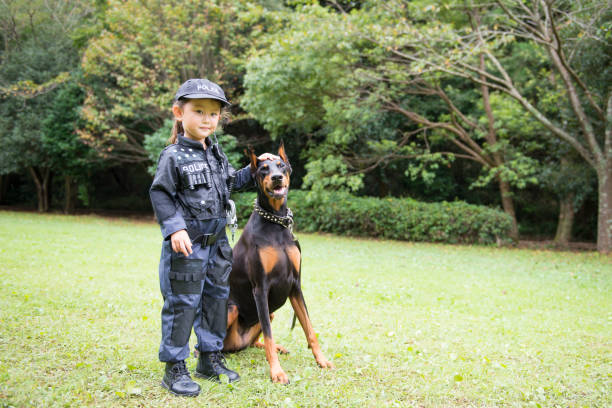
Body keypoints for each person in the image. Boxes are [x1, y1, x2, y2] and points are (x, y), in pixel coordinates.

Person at [150, 78, 276, 396]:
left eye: (214, 113)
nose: (207, 119)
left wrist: (256, 167)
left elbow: (229, 183)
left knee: (216, 302)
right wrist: (175, 228)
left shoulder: (216, 155)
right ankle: (175, 368)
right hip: (188, 248)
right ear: (179, 112)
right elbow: (161, 194)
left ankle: (210, 358)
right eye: (199, 111)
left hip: (219, 248)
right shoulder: (173, 156)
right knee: (183, 304)